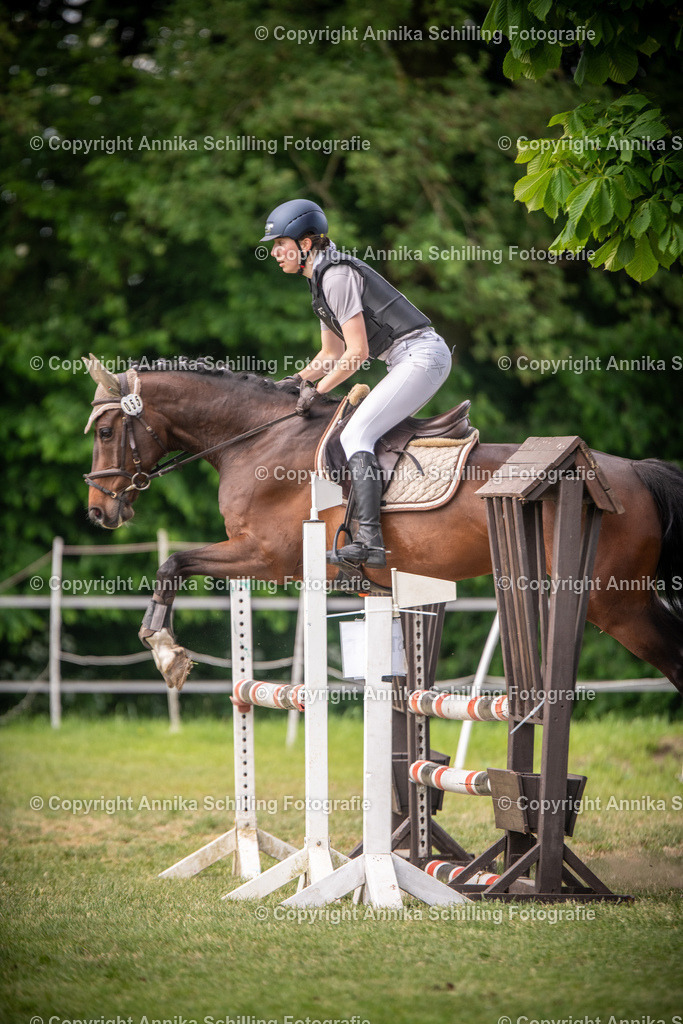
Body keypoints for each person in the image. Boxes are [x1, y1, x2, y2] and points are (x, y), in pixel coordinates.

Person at [260, 198, 451, 567]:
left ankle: (370, 542)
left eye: (280, 245)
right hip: (407, 358)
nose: (275, 253)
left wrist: (318, 391)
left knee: (354, 435)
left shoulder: (335, 275)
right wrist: (295, 380)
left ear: (305, 243)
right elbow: (330, 353)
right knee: (357, 432)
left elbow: (357, 353)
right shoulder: (320, 283)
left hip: (421, 356)